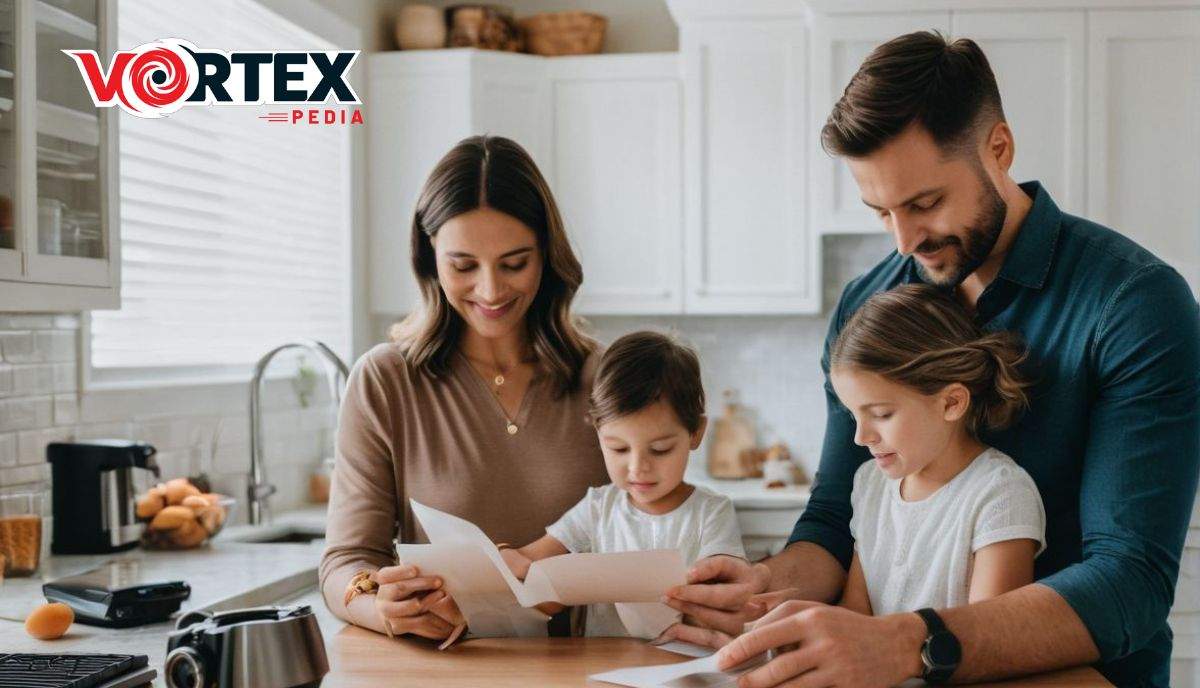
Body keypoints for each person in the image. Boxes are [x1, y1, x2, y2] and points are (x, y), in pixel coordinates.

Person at [662, 31, 1200, 687]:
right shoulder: (867, 304)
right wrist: (762, 584)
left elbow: (1130, 580)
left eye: (924, 203)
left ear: (997, 149)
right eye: (880, 211)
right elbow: (834, 520)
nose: (904, 240)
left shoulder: (1134, 303)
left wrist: (908, 643)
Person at [319, 135, 609, 640]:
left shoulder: (604, 378)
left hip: (592, 671)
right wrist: (380, 608)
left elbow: (656, 529)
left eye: (515, 263)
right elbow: (346, 561)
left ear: (546, 254)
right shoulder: (386, 381)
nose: (491, 290)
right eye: (464, 266)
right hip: (446, 669)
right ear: (429, 255)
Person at [499, 331, 745, 638]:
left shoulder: (711, 512)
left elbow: (724, 600)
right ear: (599, 432)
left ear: (696, 432)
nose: (637, 468)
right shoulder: (598, 508)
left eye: (660, 450)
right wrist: (502, 560)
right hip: (602, 666)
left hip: (686, 664)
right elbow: (528, 560)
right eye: (618, 449)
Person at [830, 284, 1044, 618]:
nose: (861, 437)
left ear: (951, 402)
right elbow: (856, 613)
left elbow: (989, 638)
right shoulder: (870, 483)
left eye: (882, 414)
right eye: (853, 414)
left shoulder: (1001, 494)